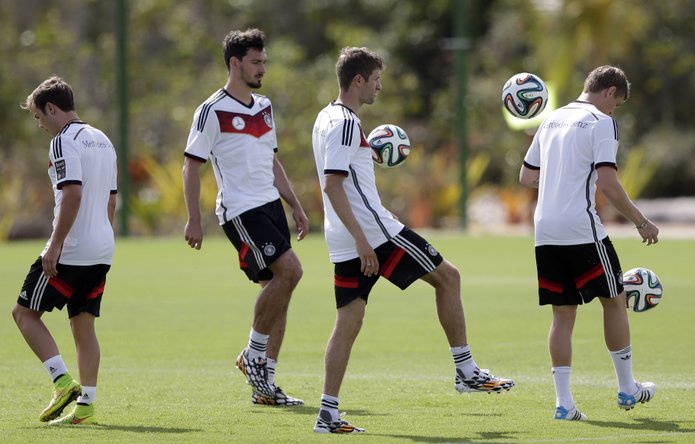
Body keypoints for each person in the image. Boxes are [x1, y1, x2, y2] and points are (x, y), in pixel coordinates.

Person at [310, 47, 514, 434]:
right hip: (371, 235)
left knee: (348, 321)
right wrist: (364, 240)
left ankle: (327, 414)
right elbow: (333, 184)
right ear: (358, 81)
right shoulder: (347, 124)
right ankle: (466, 370)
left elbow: (347, 183)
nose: (379, 87)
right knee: (448, 277)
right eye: (375, 80)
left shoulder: (324, 118)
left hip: (348, 234)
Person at [519, 65, 659, 421]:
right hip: (581, 228)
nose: (615, 111)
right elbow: (608, 184)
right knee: (615, 301)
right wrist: (641, 222)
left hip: (544, 230)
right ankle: (628, 387)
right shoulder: (600, 121)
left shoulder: (550, 120)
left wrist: (560, 177)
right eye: (617, 104)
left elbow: (526, 176)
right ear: (610, 92)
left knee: (562, 315)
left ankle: (564, 404)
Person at [183, 28, 308, 407]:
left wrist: (294, 204)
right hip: (240, 210)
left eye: (264, 62)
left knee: (280, 291)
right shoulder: (211, 109)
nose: (262, 68)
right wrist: (193, 219)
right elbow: (191, 166)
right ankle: (253, 355)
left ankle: (265, 386)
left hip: (269, 205)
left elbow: (271, 159)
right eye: (256, 62)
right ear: (235, 63)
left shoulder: (264, 106)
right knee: (291, 272)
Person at [13, 76, 118, 425]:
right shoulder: (103, 140)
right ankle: (87, 405)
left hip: (72, 248)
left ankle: (62, 382)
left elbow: (73, 194)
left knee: (24, 314)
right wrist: (100, 235)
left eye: (38, 116)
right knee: (82, 326)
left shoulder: (63, 141)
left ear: (52, 108)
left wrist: (56, 246)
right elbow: (111, 199)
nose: (39, 124)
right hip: (102, 248)